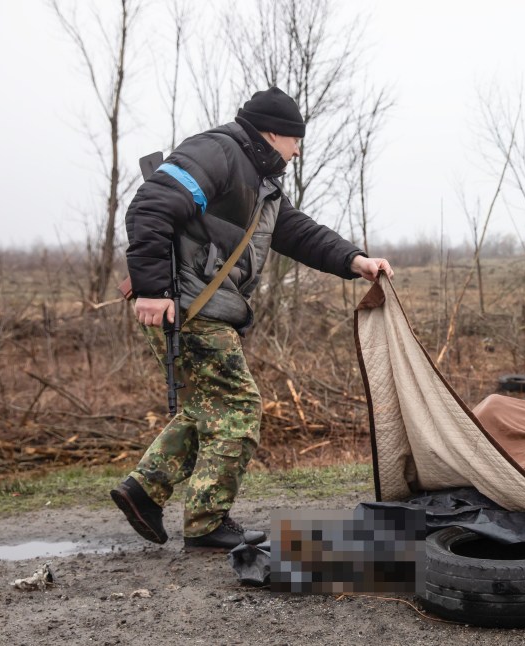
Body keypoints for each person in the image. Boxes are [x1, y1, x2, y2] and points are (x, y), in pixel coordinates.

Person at [110, 87, 393, 550]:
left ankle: (144, 491)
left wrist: (354, 261)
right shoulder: (219, 151)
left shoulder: (260, 180)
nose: (299, 150)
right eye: (296, 140)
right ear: (274, 132)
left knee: (210, 407)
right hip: (187, 306)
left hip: (203, 307)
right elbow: (151, 205)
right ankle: (205, 522)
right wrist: (151, 289)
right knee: (238, 406)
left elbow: (298, 232)